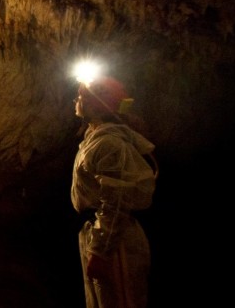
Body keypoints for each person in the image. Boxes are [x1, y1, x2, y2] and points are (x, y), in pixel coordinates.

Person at [71, 76, 158, 308]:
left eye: (81, 97)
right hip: (99, 232)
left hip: (115, 240)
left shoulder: (109, 143)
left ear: (97, 104)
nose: (75, 100)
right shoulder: (96, 140)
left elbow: (117, 200)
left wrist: (101, 250)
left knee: (120, 301)